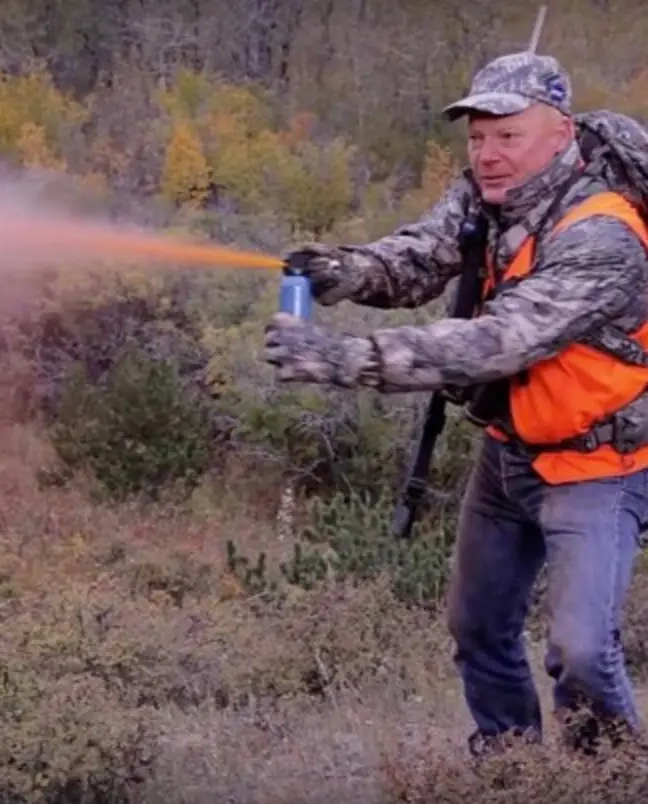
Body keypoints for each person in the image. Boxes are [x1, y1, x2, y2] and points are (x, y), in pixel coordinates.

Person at [262, 50, 648, 755]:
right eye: (477, 137)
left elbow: (499, 340)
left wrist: (345, 359)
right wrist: (348, 270)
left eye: (507, 135)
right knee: (477, 628)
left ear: (559, 135)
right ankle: (510, 774)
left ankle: (612, 782)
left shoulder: (604, 233)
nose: (488, 154)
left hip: (599, 467)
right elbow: (422, 255)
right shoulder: (483, 193)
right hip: (508, 455)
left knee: (583, 652)